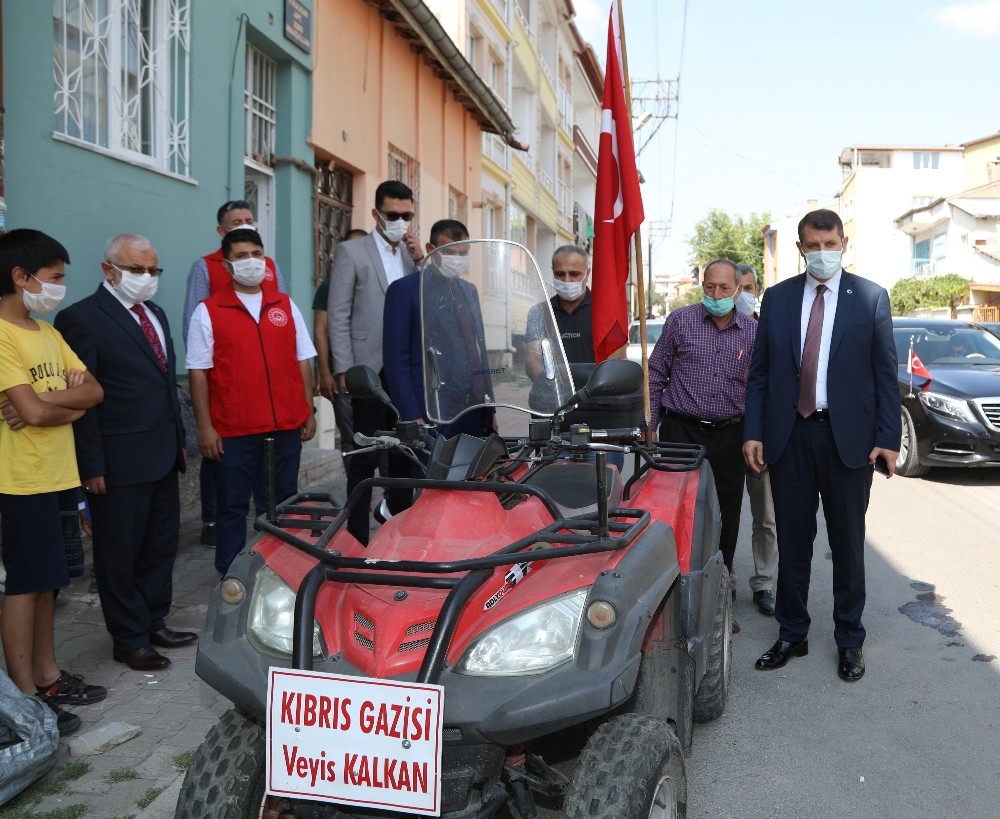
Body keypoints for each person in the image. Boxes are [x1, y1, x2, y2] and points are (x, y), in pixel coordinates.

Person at [743, 208, 900, 683]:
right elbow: (760, 373)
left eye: (830, 244)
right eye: (813, 246)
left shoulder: (870, 297)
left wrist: (887, 438)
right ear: (800, 248)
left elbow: (885, 375)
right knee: (793, 542)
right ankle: (792, 633)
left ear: (843, 243)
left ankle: (850, 639)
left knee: (848, 545)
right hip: (790, 435)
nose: (822, 253)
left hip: (847, 440)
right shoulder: (778, 298)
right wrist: (754, 431)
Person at [55, 234, 196, 672]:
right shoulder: (81, 318)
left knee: (160, 546)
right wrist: (91, 464)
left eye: (153, 270)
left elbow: (164, 385)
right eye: (136, 269)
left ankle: (154, 622)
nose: (146, 277)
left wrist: (179, 440)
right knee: (119, 554)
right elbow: (82, 399)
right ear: (108, 270)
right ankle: (129, 638)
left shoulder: (155, 313)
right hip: (117, 461)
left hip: (162, 454)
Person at [0, 228, 106, 736]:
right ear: (21, 277)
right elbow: (36, 413)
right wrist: (58, 403)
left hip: (58, 474)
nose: (60, 286)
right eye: (54, 277)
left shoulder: (47, 332)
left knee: (51, 583)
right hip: (19, 480)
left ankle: (49, 677)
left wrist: (44, 403)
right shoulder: (2, 334)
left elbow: (94, 392)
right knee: (26, 584)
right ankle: (25, 698)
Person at [187, 227, 317, 575]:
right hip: (233, 431)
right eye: (241, 256)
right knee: (232, 507)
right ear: (227, 265)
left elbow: (303, 359)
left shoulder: (284, 305)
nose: (251, 262)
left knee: (283, 505)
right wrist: (204, 426)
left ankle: (282, 573)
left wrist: (308, 410)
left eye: (256, 254)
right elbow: (198, 372)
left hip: (285, 426)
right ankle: (232, 579)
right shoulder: (208, 311)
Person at [649, 259, 755, 634]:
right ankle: (670, 599)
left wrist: (756, 436)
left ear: (738, 289)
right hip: (680, 432)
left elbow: (759, 389)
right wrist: (650, 424)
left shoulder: (753, 331)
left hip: (729, 436)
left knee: (725, 517)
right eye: (710, 287)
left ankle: (719, 600)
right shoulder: (681, 321)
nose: (716, 294)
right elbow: (655, 372)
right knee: (673, 513)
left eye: (724, 288)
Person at [182, 201, 287, 550]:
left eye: (249, 220)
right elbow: (194, 332)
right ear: (221, 231)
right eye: (236, 221)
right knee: (225, 480)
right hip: (227, 390)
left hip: (270, 404)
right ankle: (215, 532)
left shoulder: (269, 267)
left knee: (273, 490)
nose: (245, 224)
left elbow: (282, 318)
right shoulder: (205, 268)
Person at [327, 180, 423, 544]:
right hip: (367, 369)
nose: (400, 222)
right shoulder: (351, 251)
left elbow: (426, 301)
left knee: (404, 454)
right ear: (376, 214)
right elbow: (338, 313)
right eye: (392, 215)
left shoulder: (412, 256)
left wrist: (420, 260)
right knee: (364, 456)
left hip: (405, 370)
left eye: (406, 215)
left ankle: (398, 533)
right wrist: (344, 368)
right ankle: (355, 538)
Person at [383, 219, 495, 438]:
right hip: (431, 410)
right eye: (450, 252)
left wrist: (489, 410)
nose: (457, 259)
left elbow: (478, 350)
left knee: (475, 461)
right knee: (433, 462)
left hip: (473, 409)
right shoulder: (406, 290)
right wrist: (411, 415)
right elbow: (397, 360)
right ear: (430, 249)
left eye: (463, 253)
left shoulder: (469, 291)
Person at [735, 263, 778, 617]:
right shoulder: (707, 328)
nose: (742, 294)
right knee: (720, 515)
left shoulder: (770, 329)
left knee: (766, 517)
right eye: (736, 287)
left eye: (748, 287)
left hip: (761, 436)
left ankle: (764, 583)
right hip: (721, 434)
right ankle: (724, 580)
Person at [312, 228, 367, 453]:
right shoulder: (329, 285)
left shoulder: (375, 282)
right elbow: (320, 330)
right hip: (342, 371)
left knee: (383, 435)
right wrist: (325, 373)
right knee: (350, 436)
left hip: (374, 369)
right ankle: (354, 477)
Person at [526, 245, 594, 376]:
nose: (567, 280)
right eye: (560, 274)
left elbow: (614, 362)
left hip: (594, 388)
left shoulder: (602, 313)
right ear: (553, 272)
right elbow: (532, 362)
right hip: (553, 388)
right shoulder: (540, 312)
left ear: (587, 273)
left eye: (574, 274)